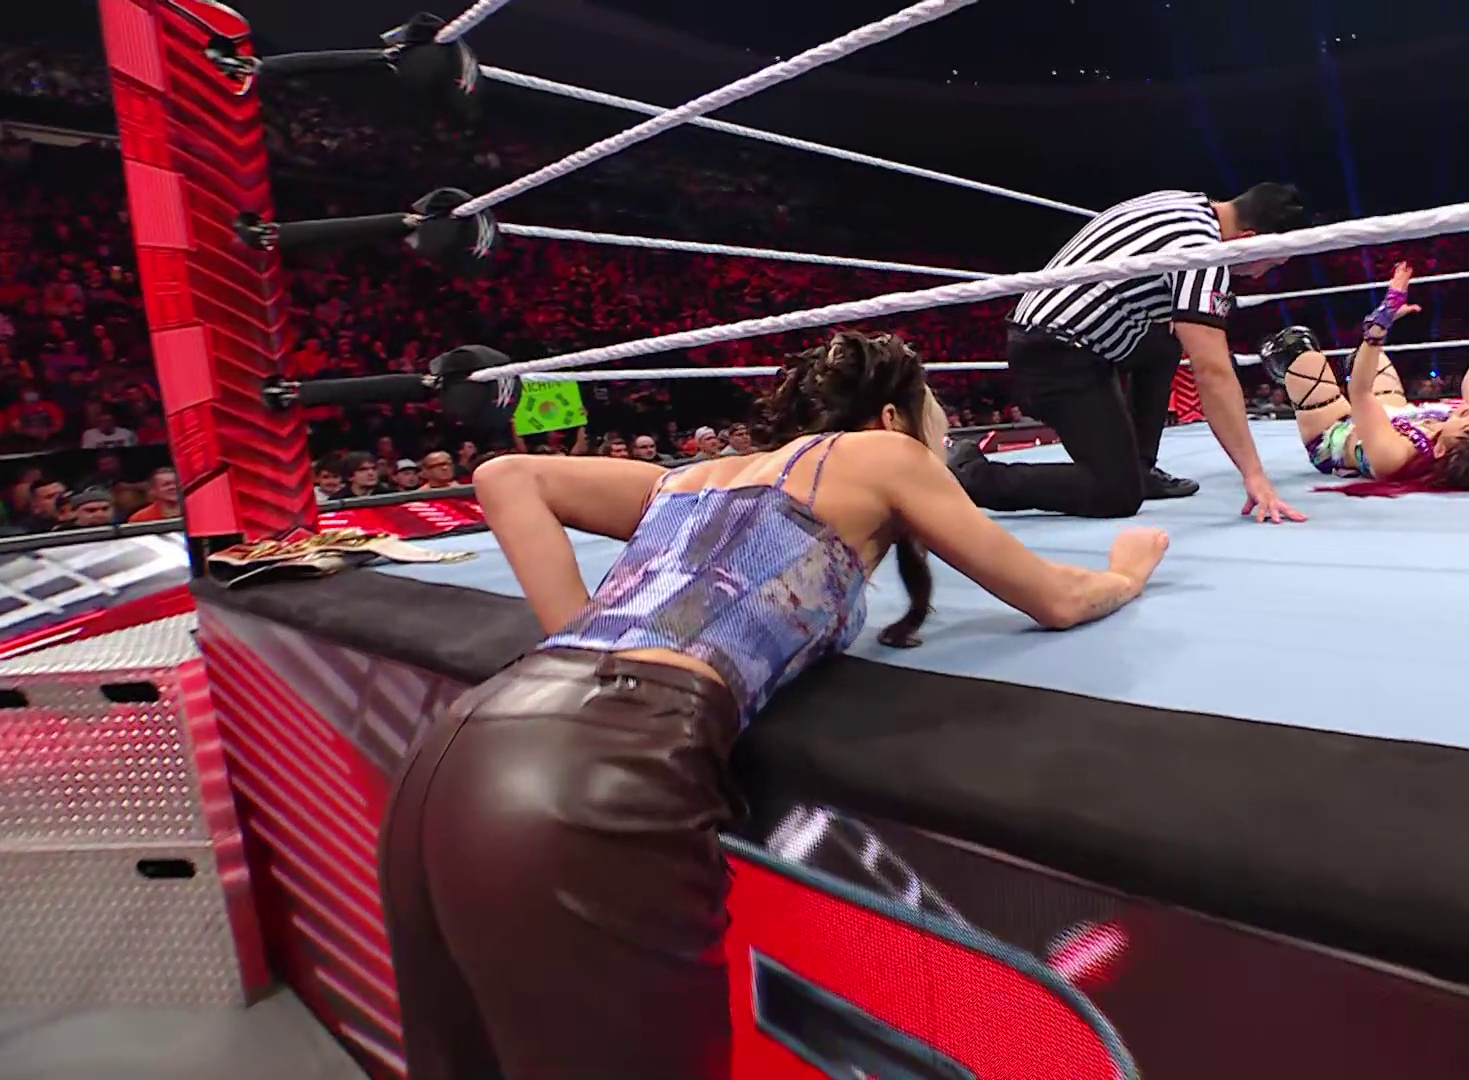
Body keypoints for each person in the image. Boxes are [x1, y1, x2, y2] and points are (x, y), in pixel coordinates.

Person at [378, 330, 1171, 1080]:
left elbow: (506, 476)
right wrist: (1126, 572)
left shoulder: (696, 477)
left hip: (467, 744)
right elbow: (1056, 598)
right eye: (934, 417)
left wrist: (582, 645)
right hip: (596, 771)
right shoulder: (881, 452)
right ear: (891, 416)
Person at [951, 183, 1312, 523]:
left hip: (1059, 337)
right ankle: (971, 473)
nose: (1260, 275)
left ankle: (1140, 467)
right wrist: (1254, 474)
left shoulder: (1185, 203)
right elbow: (1212, 371)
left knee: (1167, 338)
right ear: (1248, 241)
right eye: (1270, 263)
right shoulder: (1203, 252)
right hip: (1054, 355)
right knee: (1115, 494)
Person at [1265, 262, 1469, 497]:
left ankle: (1285, 369)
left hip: (1337, 430)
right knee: (1369, 359)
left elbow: (1360, 391)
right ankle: (1358, 357)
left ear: (1440, 450)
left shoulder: (1393, 457)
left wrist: (1380, 325)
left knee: (1297, 348)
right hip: (1394, 413)